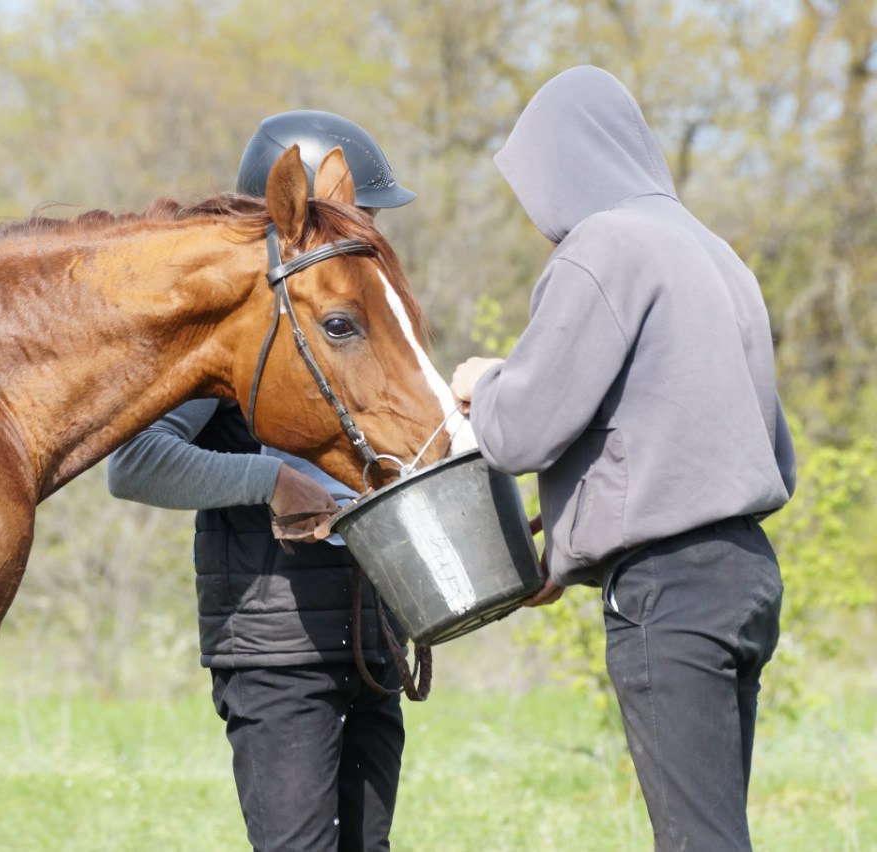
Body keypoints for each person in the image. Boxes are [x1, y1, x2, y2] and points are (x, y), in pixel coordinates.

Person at [450, 66, 796, 851]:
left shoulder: (605, 245)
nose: (544, 223)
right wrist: (567, 549)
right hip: (746, 577)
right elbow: (745, 444)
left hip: (666, 594)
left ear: (565, 163)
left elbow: (518, 434)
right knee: (716, 830)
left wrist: (486, 381)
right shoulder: (717, 254)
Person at [108, 109, 415, 851]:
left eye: (367, 217)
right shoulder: (229, 338)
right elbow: (134, 461)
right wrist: (271, 478)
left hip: (370, 642)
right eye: (351, 213)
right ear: (290, 215)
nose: (366, 230)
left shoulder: (346, 323)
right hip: (276, 655)